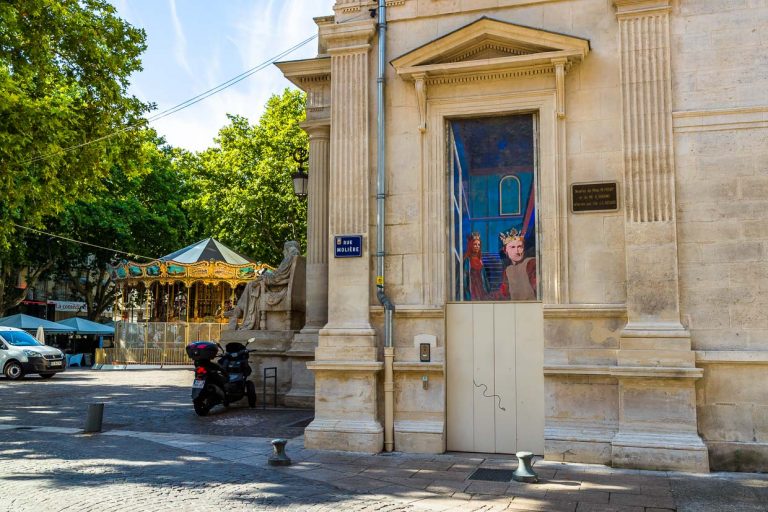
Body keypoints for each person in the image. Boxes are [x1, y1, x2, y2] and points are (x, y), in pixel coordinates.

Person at [228, 241, 301, 330]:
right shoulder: (298, 259)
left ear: (288, 249)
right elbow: (280, 275)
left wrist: (265, 275)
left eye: (284, 249)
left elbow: (277, 278)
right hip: (282, 286)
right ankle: (239, 310)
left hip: (278, 287)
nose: (283, 252)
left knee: (251, 285)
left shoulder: (289, 259)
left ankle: (239, 312)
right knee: (253, 284)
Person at [498, 228, 537, 300]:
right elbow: (505, 294)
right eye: (512, 247)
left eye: (520, 247)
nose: (517, 251)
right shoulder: (507, 270)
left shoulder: (531, 263)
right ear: (505, 250)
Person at [463, 232, 490, 301]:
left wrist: (487, 288)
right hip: (471, 289)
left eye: (479, 244)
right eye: (475, 244)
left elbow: (484, 277)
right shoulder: (467, 260)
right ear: (470, 245)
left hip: (481, 288)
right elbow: (464, 278)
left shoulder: (480, 260)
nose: (477, 246)